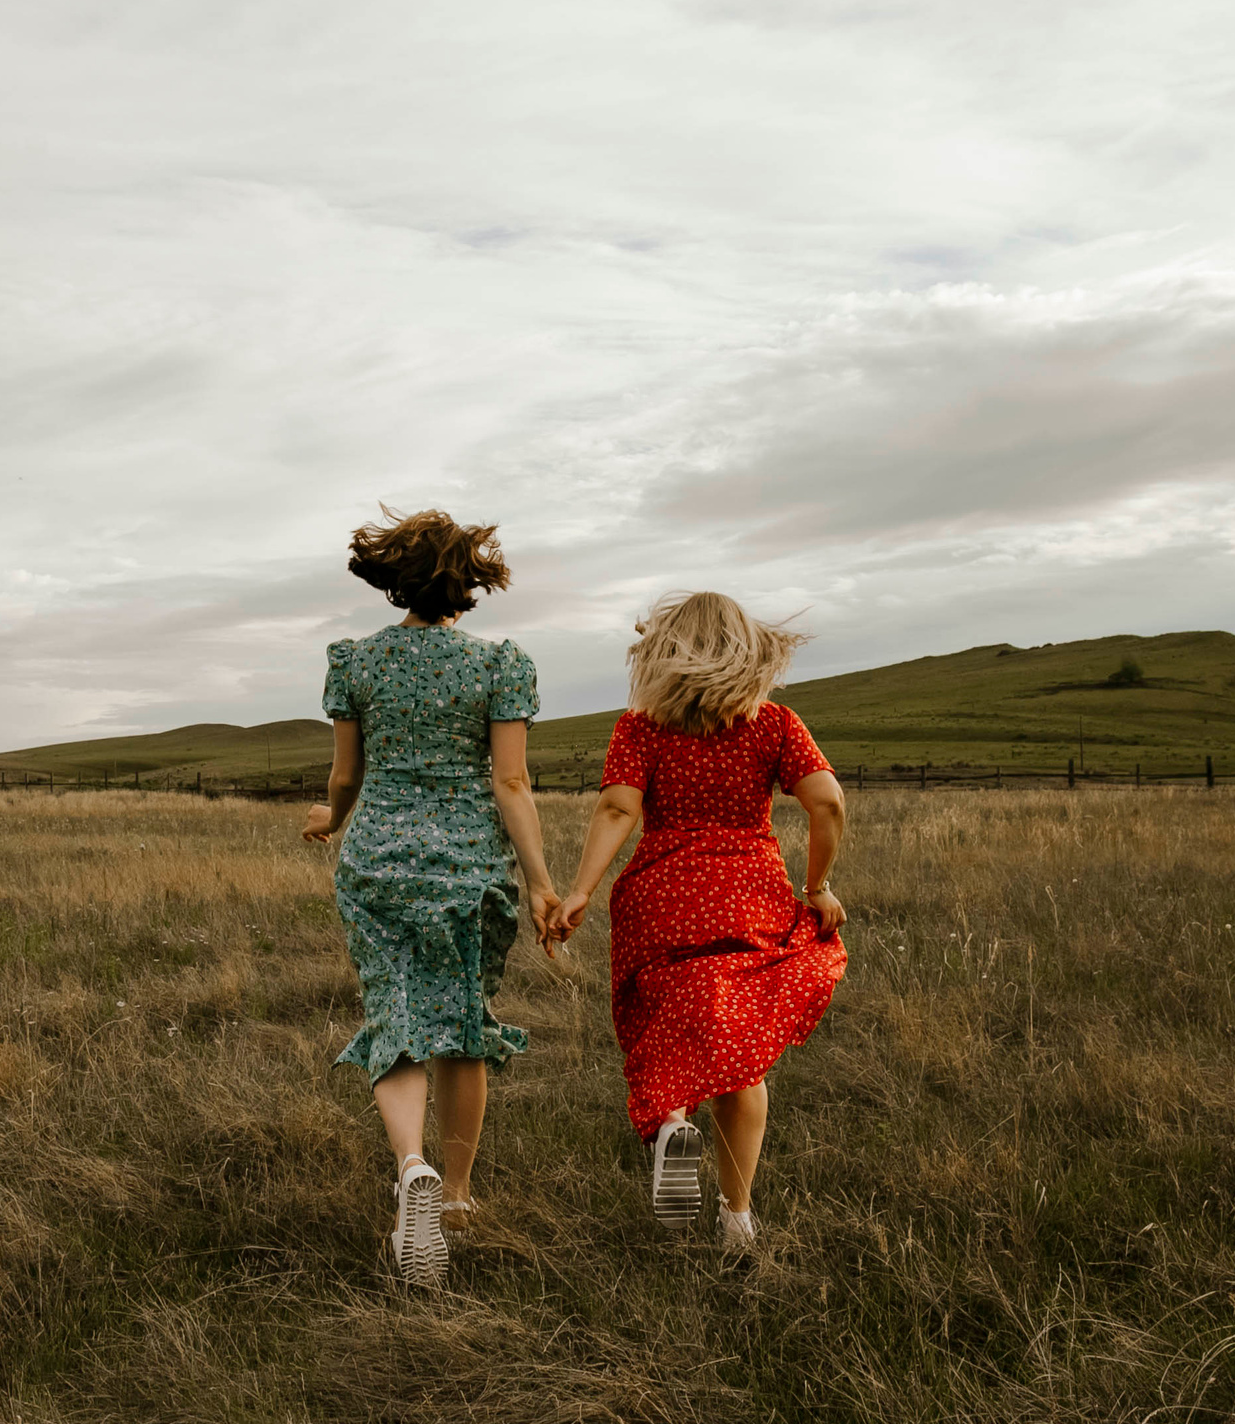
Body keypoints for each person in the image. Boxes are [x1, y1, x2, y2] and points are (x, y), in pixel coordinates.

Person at [301, 508, 560, 1288]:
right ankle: (454, 1195)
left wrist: (331, 816)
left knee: (396, 1012)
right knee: (461, 1021)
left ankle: (409, 1165)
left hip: (378, 858)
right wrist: (543, 881)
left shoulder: (357, 662)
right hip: (469, 864)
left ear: (394, 579)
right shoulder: (499, 665)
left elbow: (347, 775)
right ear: (469, 578)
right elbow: (510, 781)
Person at [547, 591, 846, 1256]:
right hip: (750, 899)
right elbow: (826, 801)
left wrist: (579, 891)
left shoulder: (641, 728)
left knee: (668, 1026)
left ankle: (673, 1123)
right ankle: (738, 1218)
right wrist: (818, 885)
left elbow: (618, 811)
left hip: (663, 900)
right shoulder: (774, 724)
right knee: (739, 1059)